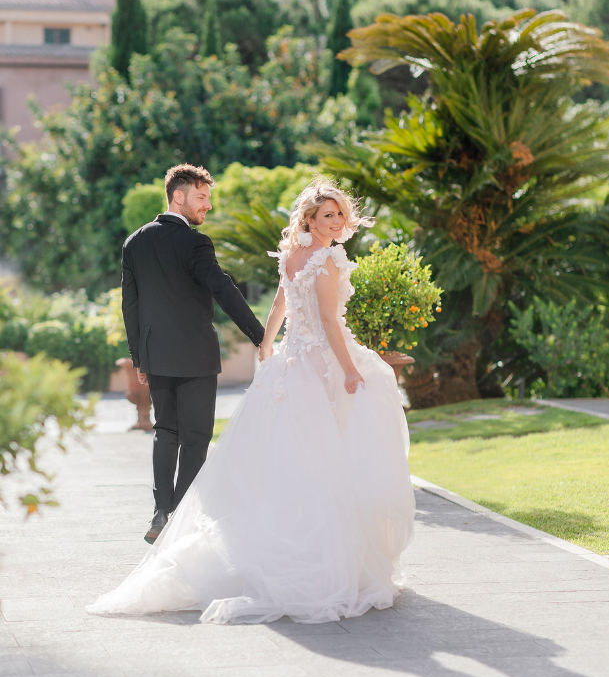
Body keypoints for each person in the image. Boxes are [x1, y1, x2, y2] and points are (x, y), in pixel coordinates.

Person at [88, 179, 414, 624]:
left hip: (239, 360)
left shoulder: (138, 242)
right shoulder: (317, 257)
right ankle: (304, 547)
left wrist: (264, 345)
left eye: (339, 214)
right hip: (299, 362)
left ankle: (166, 509)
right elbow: (309, 316)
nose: (336, 221)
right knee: (314, 449)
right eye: (328, 215)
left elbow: (275, 306)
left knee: (185, 437)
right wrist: (340, 366)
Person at [121, 163, 265, 544]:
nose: (208, 207)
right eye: (202, 198)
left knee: (166, 432)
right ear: (178, 196)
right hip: (197, 356)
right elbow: (223, 288)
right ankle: (183, 514)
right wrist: (259, 335)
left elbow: (130, 306)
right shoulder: (195, 243)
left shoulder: (134, 242)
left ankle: (161, 512)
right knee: (197, 436)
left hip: (156, 355)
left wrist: (139, 358)